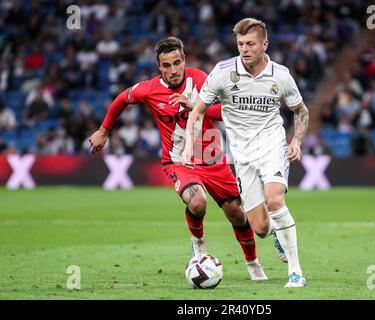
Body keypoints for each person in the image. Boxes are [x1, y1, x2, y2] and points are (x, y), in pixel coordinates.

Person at [88, 37, 267, 281]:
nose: (173, 70)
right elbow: (121, 100)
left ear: (184, 60)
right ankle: (199, 246)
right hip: (179, 162)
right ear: (158, 67)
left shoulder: (202, 79)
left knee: (236, 213)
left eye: (177, 63)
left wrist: (195, 106)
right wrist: (104, 130)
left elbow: (226, 112)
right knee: (197, 202)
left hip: (212, 158)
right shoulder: (149, 90)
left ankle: (252, 263)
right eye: (166, 65)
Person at [182, 18, 309, 287]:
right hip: (242, 155)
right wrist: (190, 146)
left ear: (265, 44)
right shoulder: (222, 71)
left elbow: (300, 110)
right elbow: (198, 110)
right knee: (260, 228)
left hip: (272, 144)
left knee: (274, 199)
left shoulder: (281, 74)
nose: (244, 49)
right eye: (240, 44)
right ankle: (276, 231)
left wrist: (296, 140)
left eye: (250, 44)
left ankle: (296, 272)